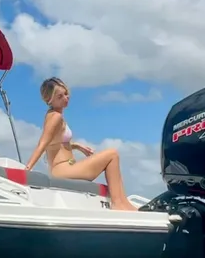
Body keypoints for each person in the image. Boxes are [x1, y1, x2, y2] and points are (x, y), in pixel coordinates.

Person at [24, 77, 137, 211]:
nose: (65, 98)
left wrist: (77, 146)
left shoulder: (52, 115)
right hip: (63, 169)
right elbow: (43, 142)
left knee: (112, 156)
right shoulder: (55, 117)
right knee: (112, 154)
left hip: (67, 166)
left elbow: (56, 143)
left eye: (66, 94)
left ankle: (123, 202)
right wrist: (27, 168)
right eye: (60, 96)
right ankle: (118, 203)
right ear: (50, 99)